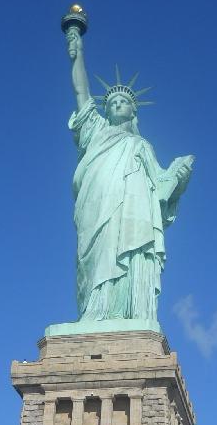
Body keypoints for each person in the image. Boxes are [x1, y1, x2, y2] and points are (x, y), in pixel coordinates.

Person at [66, 26, 194, 322]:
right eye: (111, 103)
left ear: (133, 110)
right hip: (96, 203)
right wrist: (77, 54)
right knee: (97, 255)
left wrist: (179, 177)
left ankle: (129, 312)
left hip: (133, 210)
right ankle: (95, 311)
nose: (116, 104)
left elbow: (161, 189)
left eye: (123, 102)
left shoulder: (142, 145)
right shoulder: (96, 131)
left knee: (131, 247)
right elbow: (81, 92)